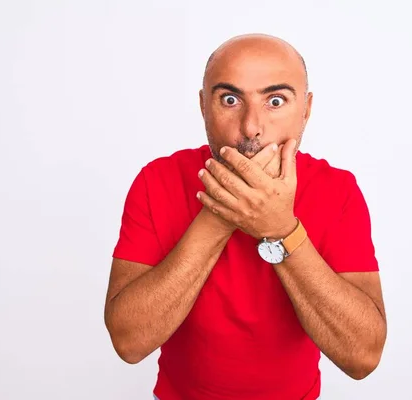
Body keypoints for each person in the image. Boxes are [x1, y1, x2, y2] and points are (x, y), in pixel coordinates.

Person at [104, 33, 387, 400]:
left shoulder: (338, 190)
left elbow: (362, 356)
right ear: (204, 106)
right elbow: (129, 343)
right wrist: (223, 212)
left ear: (306, 108)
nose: (251, 127)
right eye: (230, 99)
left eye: (275, 100)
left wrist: (281, 229)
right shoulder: (156, 181)